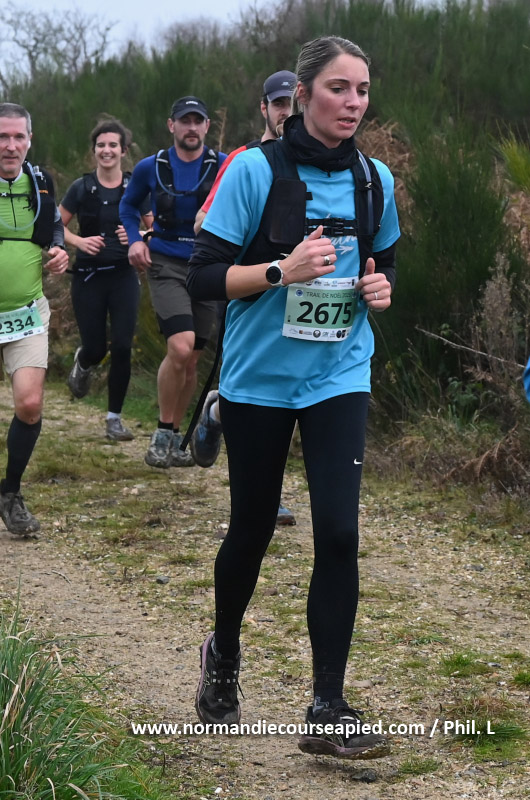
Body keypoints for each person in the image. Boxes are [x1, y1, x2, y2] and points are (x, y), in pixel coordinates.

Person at [187, 36, 400, 759]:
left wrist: (380, 287)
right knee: (251, 528)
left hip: (340, 372)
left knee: (339, 533)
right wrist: (282, 270)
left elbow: (385, 259)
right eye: (339, 88)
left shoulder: (375, 180)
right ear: (302, 95)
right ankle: (223, 654)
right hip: (260, 380)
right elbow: (205, 277)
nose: (354, 102)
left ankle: (328, 706)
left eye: (362, 89)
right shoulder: (253, 170)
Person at [192, 70, 298, 527]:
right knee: (254, 395)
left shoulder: (319, 161)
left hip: (303, 300)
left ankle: (269, 492)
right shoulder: (245, 160)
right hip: (249, 292)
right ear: (264, 108)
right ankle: (217, 412)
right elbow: (202, 223)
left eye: (293, 103)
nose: (287, 113)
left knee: (293, 391)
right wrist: (258, 248)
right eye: (279, 104)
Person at [120, 97, 226, 468]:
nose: (191, 128)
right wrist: (135, 240)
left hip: (207, 266)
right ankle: (162, 434)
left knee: (192, 359)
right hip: (165, 263)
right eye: (185, 121)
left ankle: (178, 437)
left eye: (198, 121)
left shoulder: (223, 165)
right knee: (180, 348)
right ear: (172, 126)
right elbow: (128, 206)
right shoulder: (151, 166)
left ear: (207, 126)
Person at [59, 118, 153, 441]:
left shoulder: (135, 187)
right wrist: (79, 242)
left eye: (113, 145)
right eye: (101, 145)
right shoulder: (81, 188)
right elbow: (55, 225)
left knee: (123, 346)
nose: (107, 150)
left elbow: (155, 228)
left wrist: (138, 236)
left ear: (124, 150)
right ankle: (84, 362)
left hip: (123, 276)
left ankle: (114, 419)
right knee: (96, 347)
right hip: (88, 277)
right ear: (94, 150)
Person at [0, 103, 69, 535]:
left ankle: (10, 493)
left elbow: (54, 227)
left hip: (25, 312)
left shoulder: (40, 182)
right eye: (2, 137)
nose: (10, 146)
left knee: (29, 405)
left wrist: (59, 251)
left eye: (18, 137)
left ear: (30, 140)